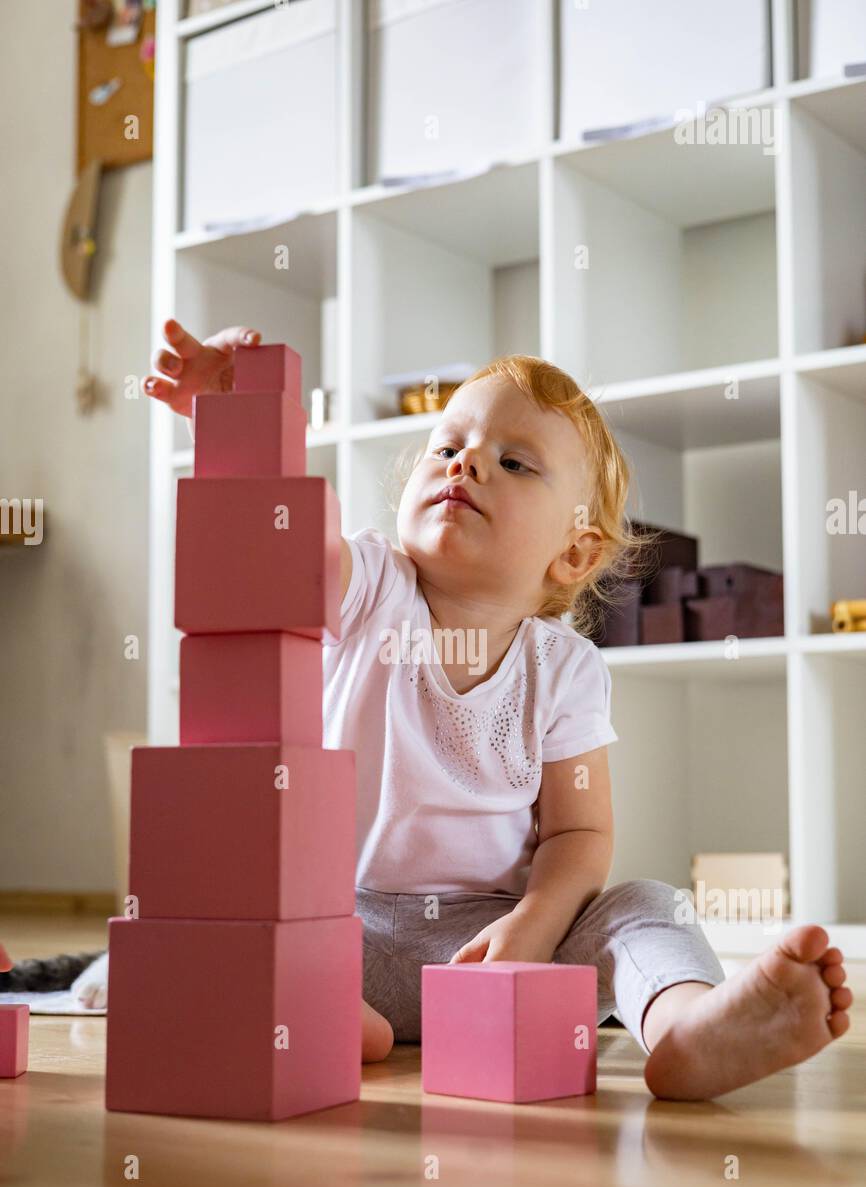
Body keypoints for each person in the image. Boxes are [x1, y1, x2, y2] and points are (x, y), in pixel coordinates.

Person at [143, 320, 852, 1101]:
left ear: (575, 553)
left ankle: (687, 1027)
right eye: (447, 449)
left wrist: (538, 926)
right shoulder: (372, 585)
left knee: (643, 907)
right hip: (342, 928)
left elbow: (580, 832)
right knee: (233, 902)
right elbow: (283, 533)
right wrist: (236, 414)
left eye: (514, 462)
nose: (468, 462)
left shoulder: (566, 669)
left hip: (491, 946)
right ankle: (323, 1016)